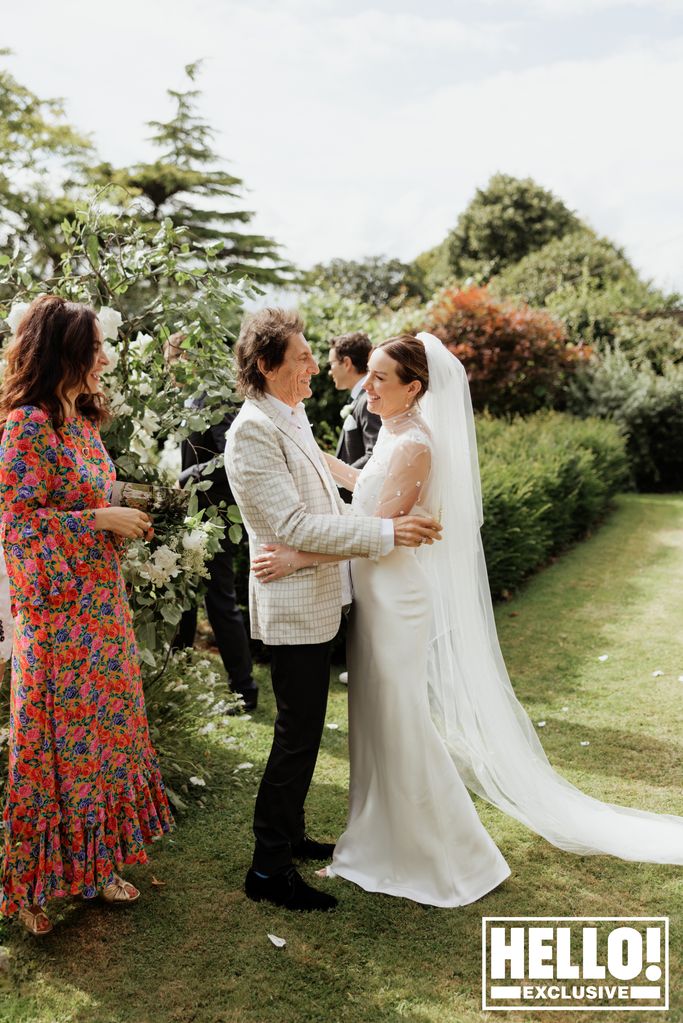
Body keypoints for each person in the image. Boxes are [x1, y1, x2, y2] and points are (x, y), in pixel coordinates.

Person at [253, 332, 683, 908]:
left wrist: (297, 556)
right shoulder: (397, 434)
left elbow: (373, 532)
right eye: (370, 375)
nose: (369, 386)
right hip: (380, 592)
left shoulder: (415, 446)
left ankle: (443, 851)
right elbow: (368, 489)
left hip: (395, 596)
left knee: (400, 718)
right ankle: (377, 834)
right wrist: (315, 458)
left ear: (415, 388)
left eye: (382, 378)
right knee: (379, 717)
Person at [224, 308, 442, 912]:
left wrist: (371, 528)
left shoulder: (287, 414)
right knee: (296, 736)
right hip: (292, 606)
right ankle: (268, 869)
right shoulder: (251, 431)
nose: (314, 365)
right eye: (300, 358)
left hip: (319, 594)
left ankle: (289, 836)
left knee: (307, 730)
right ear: (267, 367)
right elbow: (292, 523)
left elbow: (327, 497)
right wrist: (388, 534)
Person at [0, 295, 173, 935]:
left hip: (100, 608)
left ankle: (96, 865)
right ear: (65, 352)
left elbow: (82, 495)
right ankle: (29, 890)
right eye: (94, 345)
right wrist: (98, 520)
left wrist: (123, 509)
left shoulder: (80, 422)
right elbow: (18, 526)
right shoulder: (26, 425)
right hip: (56, 620)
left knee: (103, 745)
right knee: (48, 755)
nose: (104, 355)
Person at [177, 407, 258, 711]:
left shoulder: (214, 400)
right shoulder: (189, 398)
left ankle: (244, 688)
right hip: (193, 512)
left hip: (216, 514)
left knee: (219, 599)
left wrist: (189, 474)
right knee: (183, 594)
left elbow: (231, 457)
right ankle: (177, 671)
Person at [328, 332, 380, 504]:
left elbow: (374, 455)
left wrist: (337, 478)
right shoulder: (360, 399)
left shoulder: (368, 400)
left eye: (332, 364)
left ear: (347, 363)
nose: (329, 372)